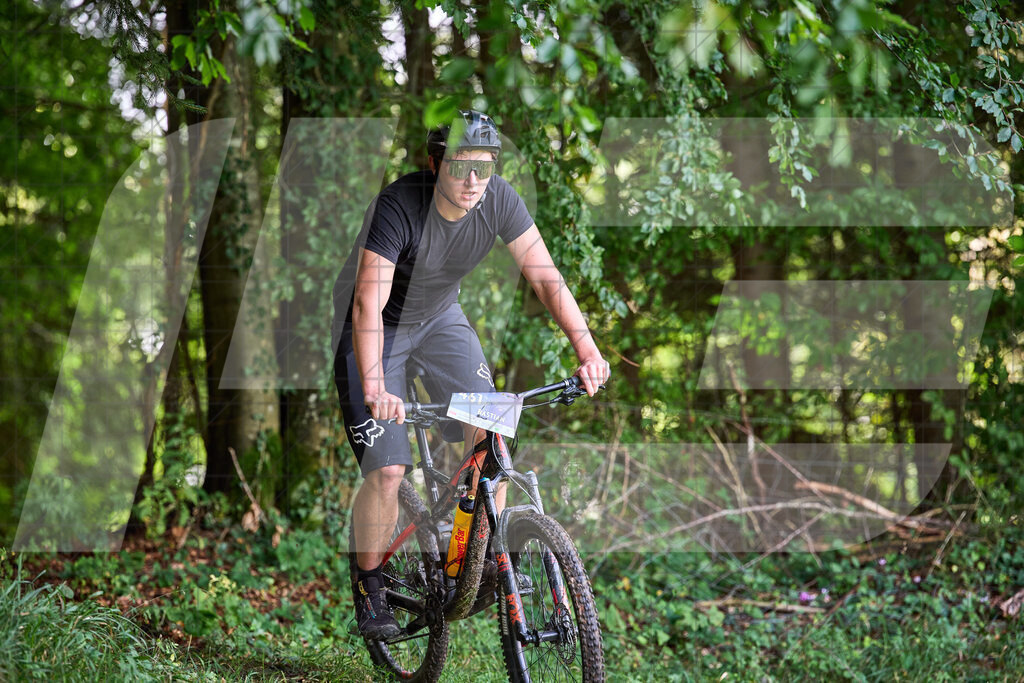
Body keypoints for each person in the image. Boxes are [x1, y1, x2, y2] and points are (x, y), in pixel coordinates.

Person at [332, 110, 610, 639]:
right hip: (375, 332)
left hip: (440, 321)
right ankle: (370, 586)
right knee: (389, 470)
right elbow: (369, 301)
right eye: (461, 166)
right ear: (435, 163)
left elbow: (547, 280)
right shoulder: (398, 206)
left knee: (494, 427)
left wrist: (587, 349)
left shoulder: (499, 200)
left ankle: (473, 557)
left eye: (483, 168)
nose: (472, 181)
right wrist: (374, 384)